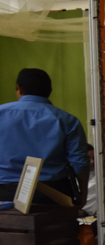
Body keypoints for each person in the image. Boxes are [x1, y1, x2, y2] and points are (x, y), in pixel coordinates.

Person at [0, 68, 90, 207]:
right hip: (54, 194)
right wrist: (83, 194)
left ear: (19, 88)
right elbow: (80, 162)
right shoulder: (67, 120)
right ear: (50, 90)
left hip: (5, 193)